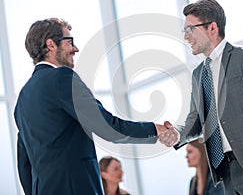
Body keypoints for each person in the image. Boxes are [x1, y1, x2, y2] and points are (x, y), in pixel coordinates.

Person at [14, 18, 167, 195]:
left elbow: (24, 164)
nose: (75, 49)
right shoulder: (62, 78)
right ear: (51, 45)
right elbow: (108, 127)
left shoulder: (23, 99)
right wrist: (155, 130)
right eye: (69, 42)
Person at [158, 0, 243, 195]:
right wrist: (177, 133)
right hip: (224, 174)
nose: (186, 37)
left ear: (212, 28)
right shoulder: (198, 74)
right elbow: (195, 121)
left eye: (190, 29)